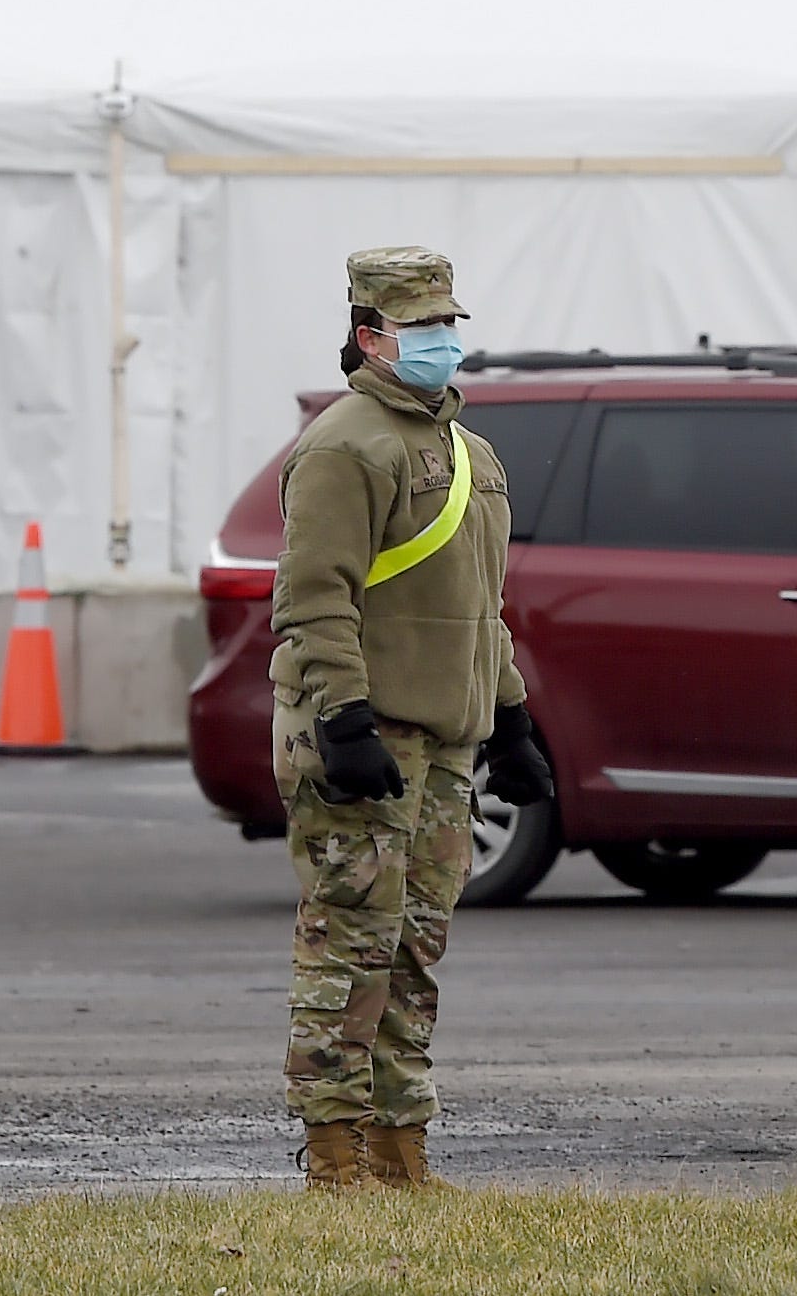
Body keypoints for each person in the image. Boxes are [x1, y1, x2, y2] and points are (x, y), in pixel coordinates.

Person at [271, 246, 546, 1193]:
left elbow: (484, 604)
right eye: (420, 327)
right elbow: (314, 597)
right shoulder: (344, 446)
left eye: (447, 326)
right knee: (350, 935)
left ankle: (400, 1146)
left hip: (448, 735)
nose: (440, 342)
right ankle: (334, 1149)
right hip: (366, 729)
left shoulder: (473, 455)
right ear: (368, 336)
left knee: (416, 942)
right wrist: (341, 713)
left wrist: (511, 721)